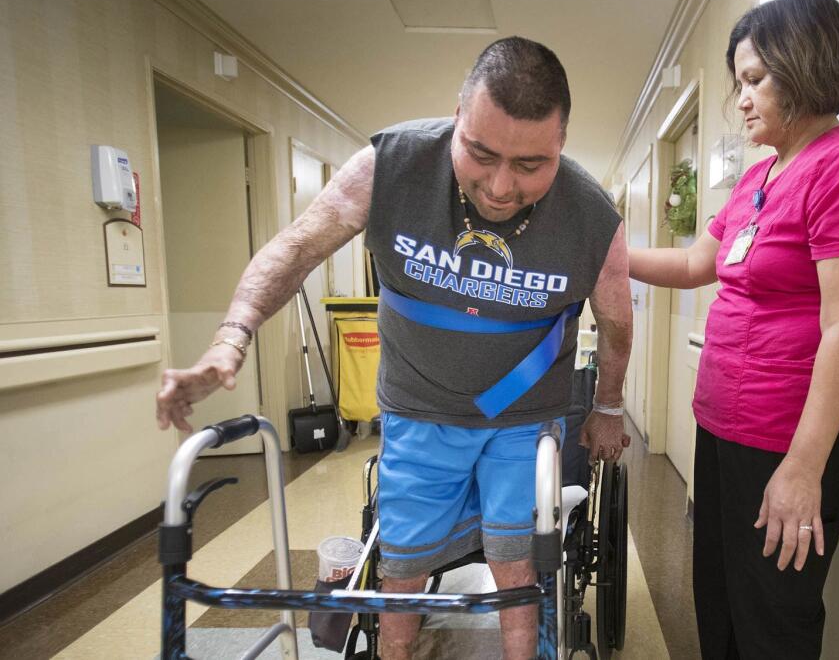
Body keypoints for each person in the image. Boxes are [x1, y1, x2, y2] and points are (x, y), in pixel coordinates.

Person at [156, 37, 633, 660]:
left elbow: (617, 321)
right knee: (401, 571)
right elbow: (296, 248)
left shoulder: (591, 215)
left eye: (529, 166)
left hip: (522, 418)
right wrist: (231, 336)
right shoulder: (392, 164)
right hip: (418, 407)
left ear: (561, 145)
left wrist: (609, 405)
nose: (498, 186)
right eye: (481, 154)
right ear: (456, 118)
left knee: (519, 571)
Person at [628, 0, 839, 658]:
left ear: (803, 66)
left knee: (773, 621)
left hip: (787, 439)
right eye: (738, 83)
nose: (742, 99)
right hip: (723, 427)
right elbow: (699, 260)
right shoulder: (763, 176)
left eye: (755, 80)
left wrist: (803, 468)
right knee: (719, 600)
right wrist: (601, 259)